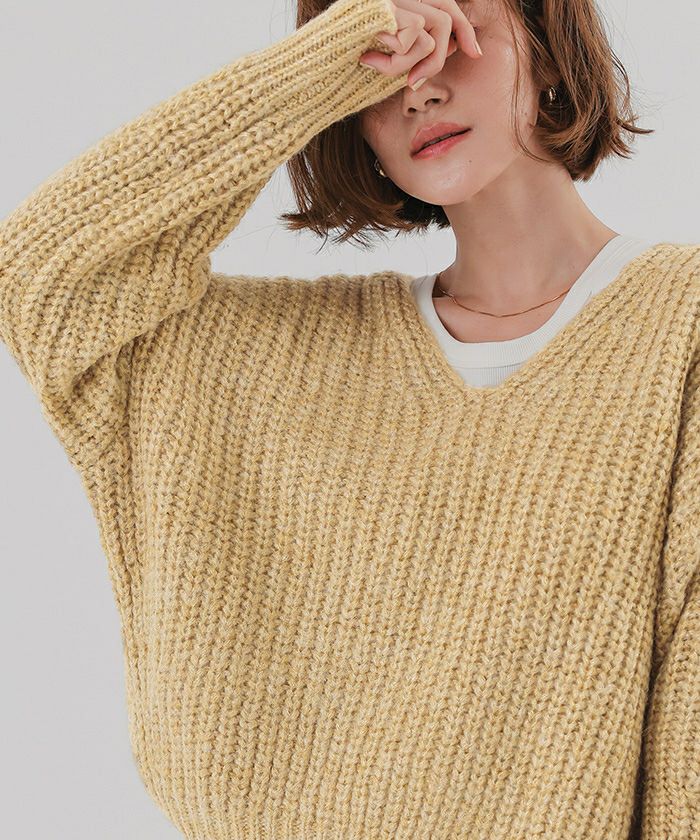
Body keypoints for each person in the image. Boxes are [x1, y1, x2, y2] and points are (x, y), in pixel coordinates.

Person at [0, 1, 697, 838]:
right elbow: (45, 284)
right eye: (386, 54)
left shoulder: (681, 330)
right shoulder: (258, 361)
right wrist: (322, 68)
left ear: (547, 48)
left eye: (454, 32)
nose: (418, 89)